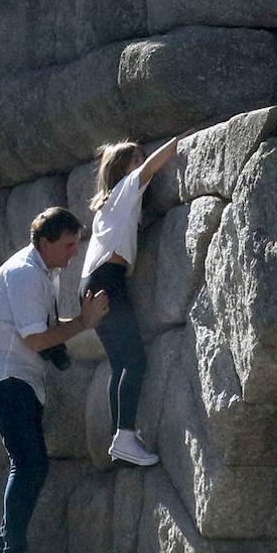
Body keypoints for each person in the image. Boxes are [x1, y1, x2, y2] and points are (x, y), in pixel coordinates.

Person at [0, 207, 109, 553]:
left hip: (16, 376)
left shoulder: (44, 271)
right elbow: (35, 338)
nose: (73, 253)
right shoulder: (25, 274)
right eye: (68, 245)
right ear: (45, 242)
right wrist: (82, 323)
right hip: (5, 376)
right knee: (30, 466)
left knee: (28, 465)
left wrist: (80, 322)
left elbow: (42, 329)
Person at [80, 134, 186, 466]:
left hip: (93, 282)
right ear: (122, 169)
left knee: (120, 363)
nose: (142, 164)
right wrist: (181, 140)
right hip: (107, 281)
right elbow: (154, 166)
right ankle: (124, 436)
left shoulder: (109, 204)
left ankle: (120, 437)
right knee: (136, 361)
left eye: (141, 158)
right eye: (135, 159)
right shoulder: (126, 188)